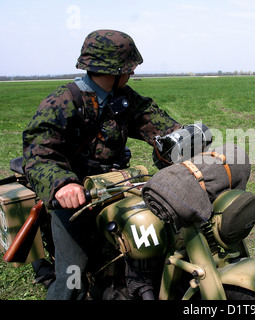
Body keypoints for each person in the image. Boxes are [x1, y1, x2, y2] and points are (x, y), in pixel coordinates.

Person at [22, 29, 183, 299]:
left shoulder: (123, 98)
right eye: (129, 68)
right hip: (77, 200)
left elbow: (156, 123)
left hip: (117, 188)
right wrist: (63, 185)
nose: (132, 73)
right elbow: (39, 154)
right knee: (72, 279)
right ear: (114, 69)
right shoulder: (64, 102)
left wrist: (187, 140)